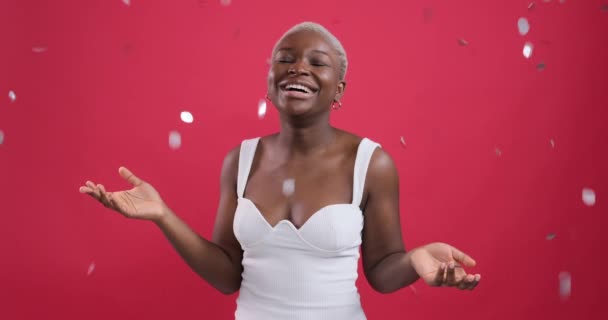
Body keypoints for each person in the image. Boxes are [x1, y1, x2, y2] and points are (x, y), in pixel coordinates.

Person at [79, 22, 481, 319]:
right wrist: (163, 217)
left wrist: (414, 260)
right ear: (269, 83)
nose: (298, 68)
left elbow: (380, 272)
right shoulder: (241, 160)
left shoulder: (371, 163)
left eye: (316, 63)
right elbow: (226, 275)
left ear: (338, 90)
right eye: (285, 60)